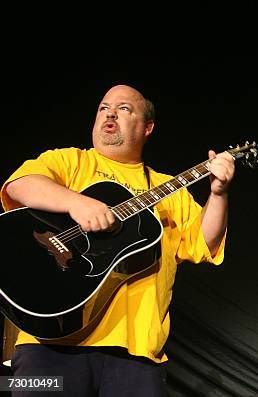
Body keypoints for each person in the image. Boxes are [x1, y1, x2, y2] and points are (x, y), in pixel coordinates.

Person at [1, 84, 235, 396]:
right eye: (103, 107)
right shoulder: (70, 161)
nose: (110, 113)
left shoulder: (168, 188)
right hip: (48, 346)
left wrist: (218, 193)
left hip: (136, 356)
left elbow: (204, 244)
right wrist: (77, 203)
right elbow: (20, 185)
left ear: (147, 127)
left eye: (124, 108)